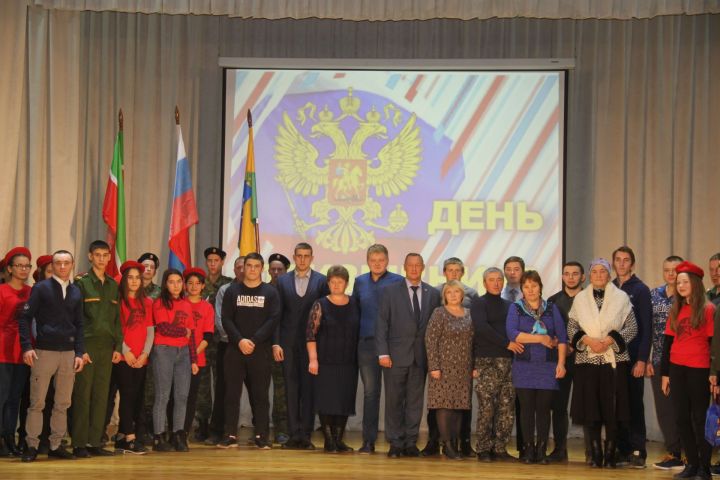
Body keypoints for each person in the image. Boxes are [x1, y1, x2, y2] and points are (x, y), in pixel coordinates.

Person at [568, 258, 637, 468]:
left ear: (609, 275)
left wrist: (609, 340)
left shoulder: (622, 297)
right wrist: (588, 340)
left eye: (603, 272)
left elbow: (632, 328)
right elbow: (571, 328)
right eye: (595, 271)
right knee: (591, 408)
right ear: (589, 275)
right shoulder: (579, 299)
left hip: (613, 361)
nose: (599, 275)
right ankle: (595, 454)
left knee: (613, 409)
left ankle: (610, 454)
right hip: (587, 360)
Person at [18, 250, 85, 462]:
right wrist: (27, 346)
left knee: (63, 402)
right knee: (37, 402)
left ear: (72, 265)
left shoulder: (76, 291)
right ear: (53, 265)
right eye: (58, 263)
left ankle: (56, 444)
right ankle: (32, 445)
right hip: (44, 352)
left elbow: (80, 324)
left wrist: (80, 353)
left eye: (66, 263)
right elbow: (25, 317)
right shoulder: (41, 288)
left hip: (68, 353)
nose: (63, 267)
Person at [376, 253, 441, 458]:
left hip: (421, 357)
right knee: (394, 401)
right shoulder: (389, 291)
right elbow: (381, 324)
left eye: (417, 265)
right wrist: (383, 353)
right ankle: (395, 443)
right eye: (410, 265)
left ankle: (411, 442)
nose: (414, 269)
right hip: (394, 356)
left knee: (415, 401)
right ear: (404, 267)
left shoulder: (432, 293)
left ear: (423, 267)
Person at [219, 253, 280, 450]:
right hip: (235, 350)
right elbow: (226, 319)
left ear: (262, 268)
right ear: (243, 267)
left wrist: (253, 340)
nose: (252, 269)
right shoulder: (232, 291)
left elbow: (273, 320)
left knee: (260, 395)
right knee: (231, 394)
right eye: (249, 265)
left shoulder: (270, 293)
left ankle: (262, 436)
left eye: (256, 266)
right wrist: (240, 340)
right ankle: (230, 434)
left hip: (260, 351)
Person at [662, 261, 716, 480]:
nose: (681, 285)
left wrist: (715, 374)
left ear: (694, 283)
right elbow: (667, 343)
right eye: (678, 282)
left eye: (685, 281)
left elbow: (714, 344)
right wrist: (665, 374)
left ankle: (704, 467)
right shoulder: (676, 308)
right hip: (677, 369)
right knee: (681, 418)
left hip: (699, 369)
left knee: (700, 419)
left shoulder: (708, 309)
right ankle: (691, 464)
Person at [506, 270, 567, 464]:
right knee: (526, 409)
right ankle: (528, 450)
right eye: (526, 286)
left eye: (534, 285)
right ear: (522, 289)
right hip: (524, 367)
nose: (530, 290)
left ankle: (541, 450)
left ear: (540, 287)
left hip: (548, 367)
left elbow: (562, 338)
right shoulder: (515, 308)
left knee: (543, 410)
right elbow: (513, 334)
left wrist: (561, 363)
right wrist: (541, 338)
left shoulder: (551, 308)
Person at [274, 243, 329, 450]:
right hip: (287, 344)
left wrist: (320, 346)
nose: (303, 259)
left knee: (309, 390)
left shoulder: (321, 281)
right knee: (291, 389)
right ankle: (292, 434)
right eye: (299, 256)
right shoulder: (283, 281)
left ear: (312, 257)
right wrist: (276, 343)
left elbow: (325, 316)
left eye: (307, 256)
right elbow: (277, 315)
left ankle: (305, 435)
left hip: (311, 345)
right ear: (294, 257)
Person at [71, 240, 123, 458]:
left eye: (105, 255)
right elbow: (75, 318)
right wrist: (80, 348)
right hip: (88, 345)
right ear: (90, 256)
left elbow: (116, 320)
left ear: (110, 257)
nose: (102, 259)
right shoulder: (81, 283)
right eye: (97, 255)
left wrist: (118, 346)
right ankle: (79, 442)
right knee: (83, 394)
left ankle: (95, 441)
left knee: (102, 395)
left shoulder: (113, 284)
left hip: (106, 346)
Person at [352, 244, 404, 454]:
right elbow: (354, 313)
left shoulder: (398, 281)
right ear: (367, 261)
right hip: (366, 345)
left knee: (394, 394)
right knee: (371, 393)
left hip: (391, 345)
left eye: (381, 260)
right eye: (373, 260)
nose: (377, 263)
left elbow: (402, 314)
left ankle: (395, 441)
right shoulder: (359, 281)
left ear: (387, 260)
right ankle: (368, 441)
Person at [424, 257, 478, 457]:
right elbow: (430, 341)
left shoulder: (470, 314)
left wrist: (474, 365)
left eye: (457, 292)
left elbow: (474, 342)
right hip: (443, 368)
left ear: (462, 294)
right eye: (450, 292)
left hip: (463, 368)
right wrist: (434, 366)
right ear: (444, 295)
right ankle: (446, 444)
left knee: (459, 406)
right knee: (444, 406)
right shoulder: (439, 313)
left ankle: (454, 445)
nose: (454, 295)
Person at [306, 265, 359, 453]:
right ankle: (329, 442)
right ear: (328, 283)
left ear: (346, 283)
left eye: (340, 281)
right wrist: (313, 359)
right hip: (325, 361)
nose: (336, 285)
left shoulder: (354, 303)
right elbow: (311, 334)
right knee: (327, 401)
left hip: (348, 362)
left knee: (344, 401)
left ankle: (338, 440)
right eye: (333, 281)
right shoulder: (320, 304)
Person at [472, 267, 517, 462]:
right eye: (492, 279)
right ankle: (483, 448)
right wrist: (507, 343)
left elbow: (514, 329)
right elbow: (482, 328)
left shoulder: (510, 305)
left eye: (499, 279)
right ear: (484, 283)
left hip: (508, 361)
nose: (496, 283)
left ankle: (500, 448)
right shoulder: (478, 303)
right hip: (486, 361)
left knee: (506, 408)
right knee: (487, 407)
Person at [612, 245, 652, 468]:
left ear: (632, 264)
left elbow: (646, 328)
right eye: (618, 259)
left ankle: (639, 450)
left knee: (635, 404)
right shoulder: (608, 288)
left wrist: (642, 360)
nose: (622, 263)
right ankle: (622, 449)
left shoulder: (641, 290)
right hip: (612, 358)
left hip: (634, 357)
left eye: (626, 260)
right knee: (618, 405)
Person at [151, 269, 199, 453]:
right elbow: (163, 328)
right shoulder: (160, 303)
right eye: (171, 282)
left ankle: (178, 434)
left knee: (182, 395)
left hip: (184, 353)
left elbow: (191, 334)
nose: (176, 285)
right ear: (165, 284)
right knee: (163, 395)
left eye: (179, 281)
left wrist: (194, 359)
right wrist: (183, 332)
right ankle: (158, 436)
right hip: (164, 351)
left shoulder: (186, 304)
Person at [647, 255, 684, 470]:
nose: (671, 274)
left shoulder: (688, 295)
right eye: (667, 270)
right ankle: (674, 452)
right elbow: (649, 329)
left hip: (683, 362)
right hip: (660, 360)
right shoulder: (655, 295)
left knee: (684, 409)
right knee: (664, 409)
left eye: (675, 270)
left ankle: (691, 453)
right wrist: (649, 358)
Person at [546, 261, 585, 462]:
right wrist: (559, 344)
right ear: (562, 277)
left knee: (588, 405)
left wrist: (575, 345)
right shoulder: (552, 301)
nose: (571, 277)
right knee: (559, 406)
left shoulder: (591, 299)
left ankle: (592, 451)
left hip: (587, 359)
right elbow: (548, 329)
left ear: (582, 277)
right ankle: (560, 449)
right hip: (561, 360)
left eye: (575, 274)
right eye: (567, 274)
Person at [113, 260, 154, 454]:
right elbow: (116, 329)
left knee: (137, 397)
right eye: (130, 277)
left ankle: (123, 435)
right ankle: (129, 437)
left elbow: (150, 331)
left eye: (138, 277)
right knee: (127, 395)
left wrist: (145, 353)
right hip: (123, 357)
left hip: (141, 358)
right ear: (124, 279)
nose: (135, 281)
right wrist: (125, 351)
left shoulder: (147, 302)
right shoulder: (118, 301)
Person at [205, 256, 244, 446]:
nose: (243, 270)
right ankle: (218, 431)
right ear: (234, 269)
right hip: (227, 344)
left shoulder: (262, 290)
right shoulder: (225, 289)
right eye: (239, 267)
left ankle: (258, 431)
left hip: (251, 347)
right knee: (223, 389)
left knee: (254, 392)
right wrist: (235, 338)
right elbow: (219, 317)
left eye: (247, 266)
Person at [17, 253, 53, 455]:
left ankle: (46, 437)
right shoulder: (36, 292)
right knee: (31, 398)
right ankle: (26, 437)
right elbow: (30, 323)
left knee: (51, 398)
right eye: (49, 271)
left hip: (54, 352)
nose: (53, 274)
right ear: (39, 274)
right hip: (36, 351)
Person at [0, 248, 33, 457]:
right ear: (10, 269)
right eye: (19, 266)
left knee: (15, 398)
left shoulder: (32, 292)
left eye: (27, 266)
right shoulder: (2, 291)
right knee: (1, 397)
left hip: (23, 352)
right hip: (2, 349)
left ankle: (9, 438)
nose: (23, 269)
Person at [182, 268, 214, 439]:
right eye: (190, 283)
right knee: (177, 396)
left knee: (191, 397)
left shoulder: (207, 307)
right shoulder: (179, 303)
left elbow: (208, 335)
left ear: (203, 286)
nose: (194, 287)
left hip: (197, 359)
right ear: (185, 286)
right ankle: (174, 430)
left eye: (197, 283)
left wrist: (193, 353)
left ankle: (184, 431)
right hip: (177, 358)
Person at [500, 255, 526, 454]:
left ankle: (523, 446)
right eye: (508, 269)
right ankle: (498, 446)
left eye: (516, 269)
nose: (511, 272)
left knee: (523, 402)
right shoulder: (496, 293)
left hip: (524, 353)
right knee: (501, 403)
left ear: (522, 272)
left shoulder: (530, 296)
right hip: (500, 353)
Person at [267, 252, 290, 444]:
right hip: (260, 347)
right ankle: (260, 428)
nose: (276, 273)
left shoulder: (289, 291)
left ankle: (281, 429)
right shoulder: (261, 289)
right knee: (258, 390)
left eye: (280, 270)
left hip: (281, 347)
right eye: (273, 269)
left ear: (286, 271)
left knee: (281, 391)